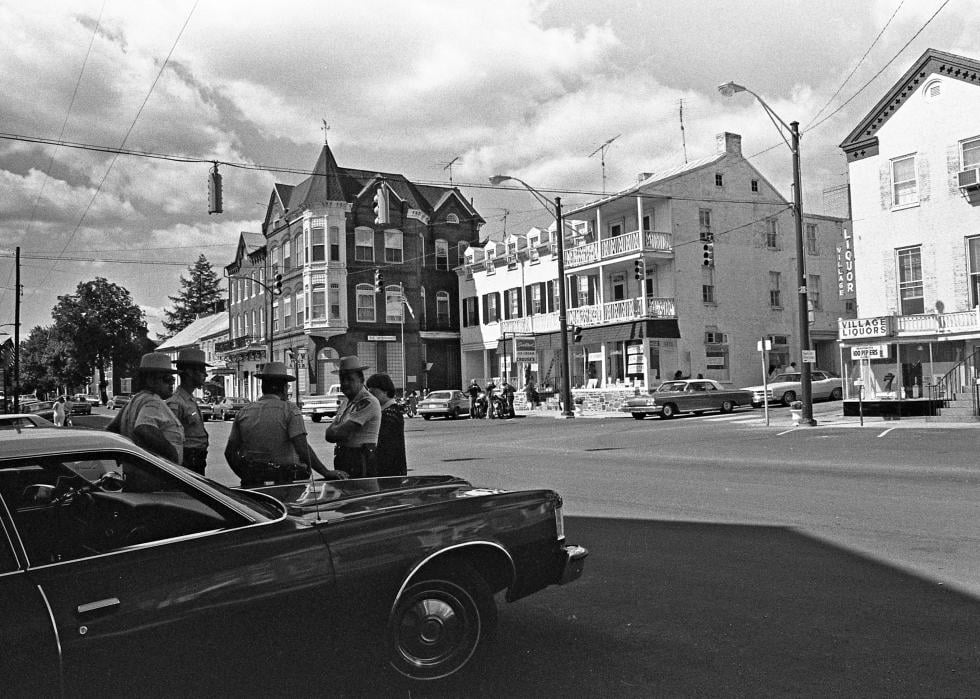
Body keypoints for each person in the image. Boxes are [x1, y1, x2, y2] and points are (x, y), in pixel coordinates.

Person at [224, 361, 343, 486]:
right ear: (284, 387)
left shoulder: (244, 412)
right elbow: (302, 448)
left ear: (263, 387)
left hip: (253, 481)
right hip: (285, 482)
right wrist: (325, 472)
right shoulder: (289, 410)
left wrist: (245, 475)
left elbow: (229, 452)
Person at [106, 352, 184, 464]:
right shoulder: (153, 401)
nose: (172, 383)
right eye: (167, 379)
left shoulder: (134, 400)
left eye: (173, 379)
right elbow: (144, 428)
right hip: (156, 474)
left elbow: (111, 429)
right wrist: (172, 455)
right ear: (150, 380)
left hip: (136, 469)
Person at [324, 356, 382, 478]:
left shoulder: (368, 402)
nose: (345, 383)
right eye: (342, 379)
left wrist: (336, 429)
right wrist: (336, 430)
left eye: (350, 379)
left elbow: (340, 433)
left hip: (360, 461)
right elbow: (328, 434)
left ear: (361, 380)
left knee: (361, 494)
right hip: (345, 459)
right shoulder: (347, 402)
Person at [166, 348, 211, 476]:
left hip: (197, 458)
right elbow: (171, 438)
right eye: (202, 370)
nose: (205, 375)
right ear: (190, 372)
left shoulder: (190, 399)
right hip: (187, 459)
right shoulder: (176, 402)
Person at [365, 373, 407, 477]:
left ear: (385, 391)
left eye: (373, 393)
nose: (370, 397)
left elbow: (384, 446)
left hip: (388, 471)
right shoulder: (387, 411)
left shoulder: (390, 414)